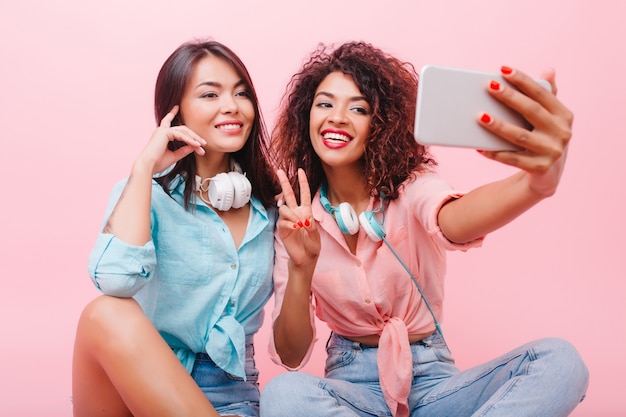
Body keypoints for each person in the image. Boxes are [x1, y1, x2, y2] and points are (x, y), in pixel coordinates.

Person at [260, 41, 589, 417]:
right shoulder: (296, 216)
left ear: (381, 124)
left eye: (359, 108)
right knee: (284, 394)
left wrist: (533, 186)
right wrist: (302, 268)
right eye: (325, 103)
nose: (337, 117)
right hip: (352, 393)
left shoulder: (412, 186)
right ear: (306, 115)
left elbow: (453, 219)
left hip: (436, 384)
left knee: (561, 362)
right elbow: (291, 355)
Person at [72, 39, 278, 417]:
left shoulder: (271, 209)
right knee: (105, 313)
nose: (231, 106)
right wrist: (143, 168)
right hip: (140, 385)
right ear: (175, 113)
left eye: (241, 93)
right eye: (210, 94)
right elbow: (115, 282)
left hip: (231, 395)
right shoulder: (143, 192)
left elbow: (292, 349)